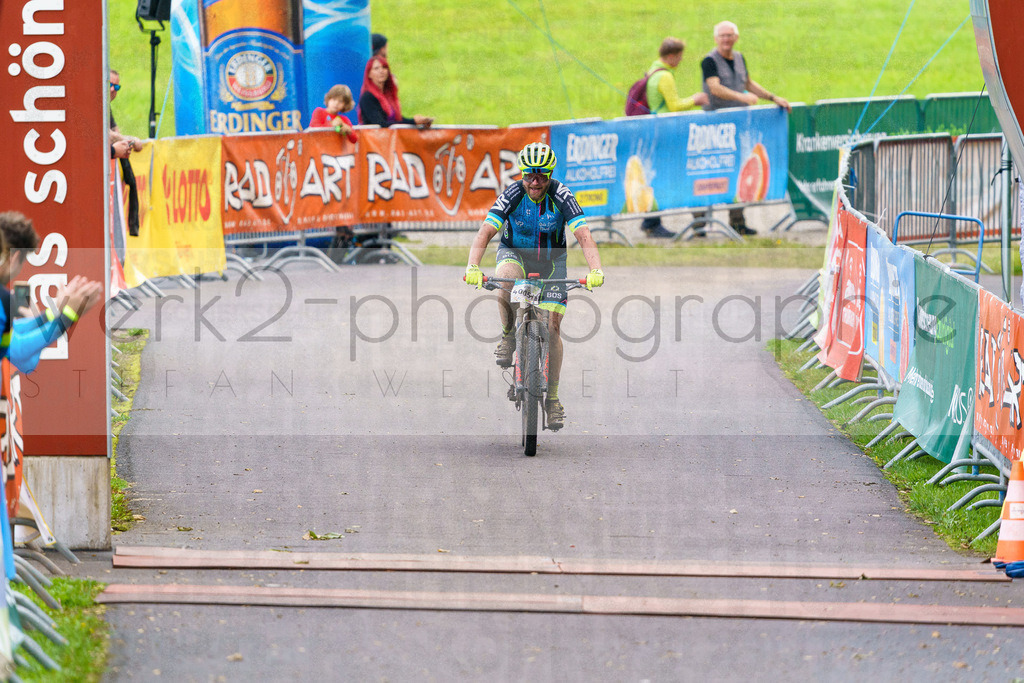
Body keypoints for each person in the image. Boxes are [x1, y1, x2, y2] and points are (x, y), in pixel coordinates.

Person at [464, 143, 604, 430]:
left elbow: (584, 233)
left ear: (550, 174)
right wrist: (473, 266)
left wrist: (596, 269)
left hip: (553, 263)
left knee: (552, 329)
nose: (535, 182)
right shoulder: (513, 194)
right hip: (515, 255)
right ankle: (508, 337)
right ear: (522, 174)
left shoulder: (562, 195)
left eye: (542, 175)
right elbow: (486, 231)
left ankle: (552, 399)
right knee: (503, 277)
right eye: (529, 175)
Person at [699, 21, 791, 236]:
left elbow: (748, 83)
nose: (726, 39)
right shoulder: (709, 61)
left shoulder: (739, 58)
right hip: (716, 127)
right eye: (722, 35)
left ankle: (737, 221)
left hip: (739, 125)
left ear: (736, 37)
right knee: (710, 174)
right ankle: (699, 223)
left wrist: (772, 97)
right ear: (716, 38)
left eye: (730, 35)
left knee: (739, 171)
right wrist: (742, 97)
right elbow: (714, 88)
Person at [0, 212, 102, 373]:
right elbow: (20, 352)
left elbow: (24, 356)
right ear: (14, 258)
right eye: (23, 263)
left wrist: (54, 312)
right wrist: (68, 316)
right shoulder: (3, 300)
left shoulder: (4, 301)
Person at [640, 37, 709, 239]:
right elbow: (674, 106)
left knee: (658, 176)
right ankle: (652, 222)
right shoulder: (665, 77)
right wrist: (695, 100)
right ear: (671, 56)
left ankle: (651, 221)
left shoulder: (653, 71)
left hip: (656, 131)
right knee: (663, 177)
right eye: (679, 57)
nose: (680, 61)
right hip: (665, 133)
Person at [357, 56, 433, 129]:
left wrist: (417, 121)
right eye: (376, 68)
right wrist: (413, 122)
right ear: (369, 74)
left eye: (384, 67)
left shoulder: (388, 96)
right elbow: (381, 124)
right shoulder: (367, 97)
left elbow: (397, 120)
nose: (381, 71)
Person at [108, 69, 141, 236]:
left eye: (117, 86)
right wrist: (130, 140)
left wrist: (126, 141)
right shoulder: (93, 103)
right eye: (109, 84)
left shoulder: (105, 107)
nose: (113, 89)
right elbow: (108, 135)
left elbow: (114, 132)